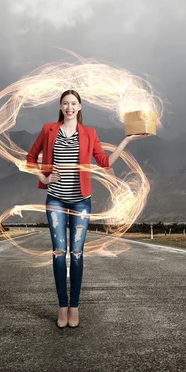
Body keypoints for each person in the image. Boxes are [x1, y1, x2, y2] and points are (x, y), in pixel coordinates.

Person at [26, 89, 148, 329]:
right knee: (59, 253)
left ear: (80, 107)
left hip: (81, 201)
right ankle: (62, 306)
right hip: (56, 201)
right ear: (60, 107)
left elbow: (104, 163)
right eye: (65, 103)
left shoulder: (89, 133)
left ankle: (75, 307)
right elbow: (30, 158)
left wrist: (126, 140)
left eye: (73, 103)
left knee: (77, 254)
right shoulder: (48, 130)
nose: (69, 107)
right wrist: (45, 177)